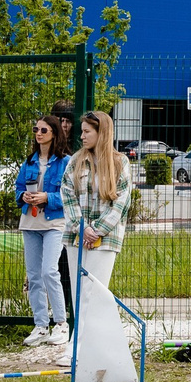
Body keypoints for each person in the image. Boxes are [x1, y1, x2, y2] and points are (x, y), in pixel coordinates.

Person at [60, 108, 138, 299]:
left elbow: (121, 203)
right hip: (76, 237)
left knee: (94, 293)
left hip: (106, 238)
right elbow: (67, 195)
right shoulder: (76, 161)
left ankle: (93, 330)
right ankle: (80, 330)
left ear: (101, 133)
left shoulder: (120, 163)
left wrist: (95, 230)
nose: (82, 136)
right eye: (82, 131)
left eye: (87, 132)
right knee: (78, 294)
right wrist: (82, 228)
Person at [16, 115, 71, 348]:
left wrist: (48, 197)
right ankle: (40, 325)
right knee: (34, 276)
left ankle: (61, 324)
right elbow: (18, 189)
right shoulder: (29, 161)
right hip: (30, 223)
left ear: (54, 134)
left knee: (50, 271)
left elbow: (70, 195)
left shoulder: (66, 162)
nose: (38, 134)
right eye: (36, 129)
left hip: (54, 223)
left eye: (44, 130)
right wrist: (24, 196)